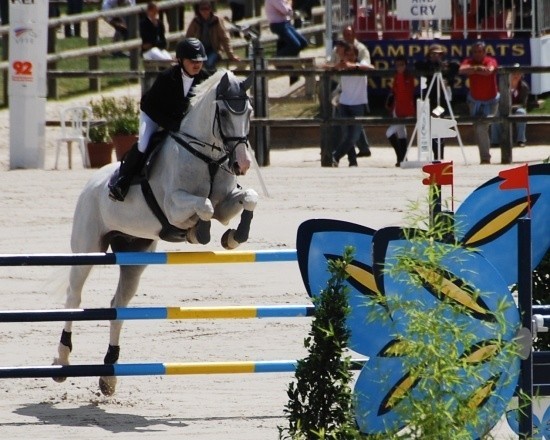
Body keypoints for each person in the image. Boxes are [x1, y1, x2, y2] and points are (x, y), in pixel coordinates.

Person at [108, 38, 210, 202]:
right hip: (153, 115)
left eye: (200, 61)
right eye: (192, 60)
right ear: (180, 60)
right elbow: (148, 105)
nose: (197, 64)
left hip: (179, 122)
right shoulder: (167, 77)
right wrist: (169, 124)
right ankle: (122, 182)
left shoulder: (205, 78)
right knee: (143, 144)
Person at [329, 26, 373, 158]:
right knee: (346, 127)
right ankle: (353, 157)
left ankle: (336, 155)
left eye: (349, 34)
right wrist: (338, 67)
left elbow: (368, 65)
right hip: (340, 86)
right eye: (345, 34)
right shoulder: (338, 48)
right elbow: (330, 63)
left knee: (353, 128)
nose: (347, 36)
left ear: (354, 34)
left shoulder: (361, 49)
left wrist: (352, 66)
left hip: (355, 90)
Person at [415, 43, 459, 160]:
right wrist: (431, 64)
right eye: (433, 54)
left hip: (443, 103)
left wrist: (443, 66)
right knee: (430, 128)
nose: (435, 56)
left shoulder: (447, 66)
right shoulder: (427, 66)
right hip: (430, 100)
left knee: (440, 127)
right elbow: (417, 65)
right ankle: (435, 154)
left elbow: (456, 66)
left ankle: (439, 155)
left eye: (438, 54)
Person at [459, 41, 499, 165]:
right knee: (478, 128)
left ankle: (485, 158)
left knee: (482, 127)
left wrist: (474, 71)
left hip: (491, 100)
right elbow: (462, 70)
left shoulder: (490, 60)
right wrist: (477, 68)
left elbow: (489, 71)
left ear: (485, 51)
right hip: (475, 100)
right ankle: (484, 155)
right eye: (475, 51)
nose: (477, 54)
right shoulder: (469, 61)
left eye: (480, 51)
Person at [185, 0, 240, 73]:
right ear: (199, 10)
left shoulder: (216, 20)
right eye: (202, 9)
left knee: (208, 63)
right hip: (200, 50)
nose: (204, 11)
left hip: (214, 50)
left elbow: (224, 38)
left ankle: (212, 81)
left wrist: (231, 55)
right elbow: (188, 38)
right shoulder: (195, 21)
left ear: (210, 9)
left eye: (206, 9)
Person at [385, 55, 415, 167]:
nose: (399, 67)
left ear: (406, 65)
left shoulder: (408, 77)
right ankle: (403, 159)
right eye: (397, 65)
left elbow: (404, 94)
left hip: (405, 111)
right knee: (401, 133)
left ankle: (401, 157)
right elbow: (395, 92)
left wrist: (401, 75)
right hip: (397, 109)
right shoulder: (397, 76)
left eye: (402, 65)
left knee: (389, 133)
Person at [491, 66, 530, 147]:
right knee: (495, 114)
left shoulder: (524, 87)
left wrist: (512, 107)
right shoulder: (503, 84)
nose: (516, 75)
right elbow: (498, 99)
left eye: (518, 74)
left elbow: (523, 104)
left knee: (522, 114)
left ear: (521, 75)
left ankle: (521, 140)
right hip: (502, 107)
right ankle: (495, 141)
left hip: (517, 108)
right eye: (514, 73)